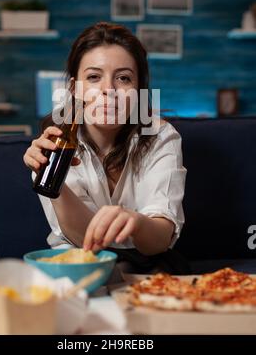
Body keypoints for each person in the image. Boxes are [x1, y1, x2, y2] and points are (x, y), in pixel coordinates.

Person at [23, 22, 189, 275]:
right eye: (93, 77)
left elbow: (159, 241)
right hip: (78, 265)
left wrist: (136, 222)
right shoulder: (51, 145)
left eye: (123, 78)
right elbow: (83, 241)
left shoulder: (159, 136)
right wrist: (52, 178)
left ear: (138, 91)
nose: (108, 90)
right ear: (73, 88)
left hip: (147, 266)